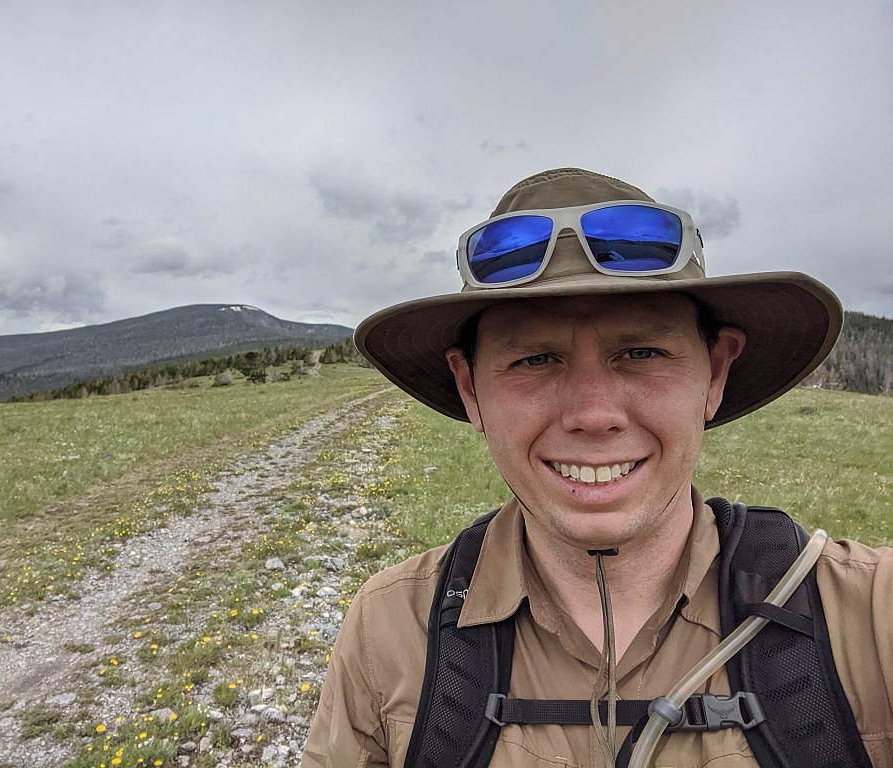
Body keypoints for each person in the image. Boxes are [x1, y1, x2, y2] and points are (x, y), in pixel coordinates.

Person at [301, 168, 892, 767]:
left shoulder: (872, 616)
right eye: (535, 359)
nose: (594, 414)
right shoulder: (391, 629)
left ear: (715, 374)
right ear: (470, 390)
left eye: (641, 353)